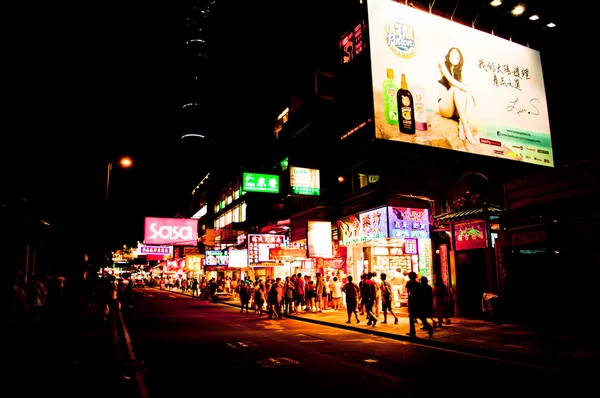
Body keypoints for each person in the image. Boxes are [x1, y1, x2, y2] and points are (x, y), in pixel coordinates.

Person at [438, 46, 478, 145]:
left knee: (462, 91)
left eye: (457, 57)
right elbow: (451, 81)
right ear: (448, 54)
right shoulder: (442, 64)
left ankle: (461, 124)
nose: (454, 57)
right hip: (444, 107)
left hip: (454, 109)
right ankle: (466, 128)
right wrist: (471, 92)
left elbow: (464, 85)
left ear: (460, 60)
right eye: (452, 54)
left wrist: (467, 89)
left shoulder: (458, 71)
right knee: (457, 88)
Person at [405, 271, 433, 337]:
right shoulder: (418, 284)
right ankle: (429, 328)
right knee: (421, 317)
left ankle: (412, 332)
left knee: (411, 317)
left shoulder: (409, 283)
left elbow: (408, 292)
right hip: (418, 302)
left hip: (412, 301)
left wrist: (409, 301)